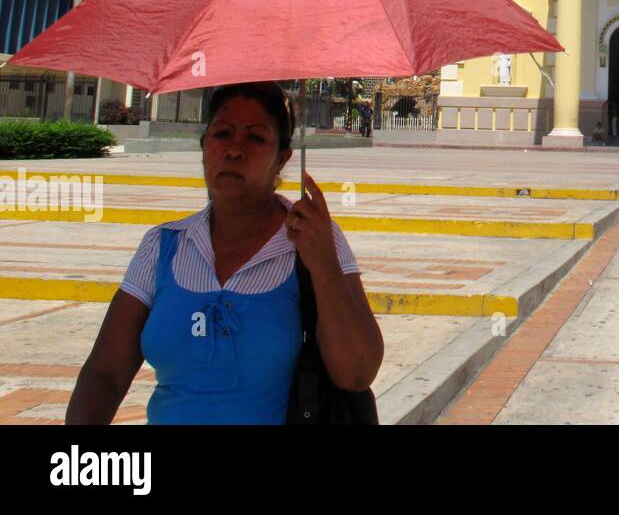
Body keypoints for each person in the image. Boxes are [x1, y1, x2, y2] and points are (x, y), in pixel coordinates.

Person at [67, 81, 383, 425]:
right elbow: (106, 374)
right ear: (203, 146)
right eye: (222, 134)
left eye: (255, 138)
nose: (234, 149)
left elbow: (356, 373)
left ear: (283, 157)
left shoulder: (315, 239)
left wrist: (323, 265)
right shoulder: (163, 245)